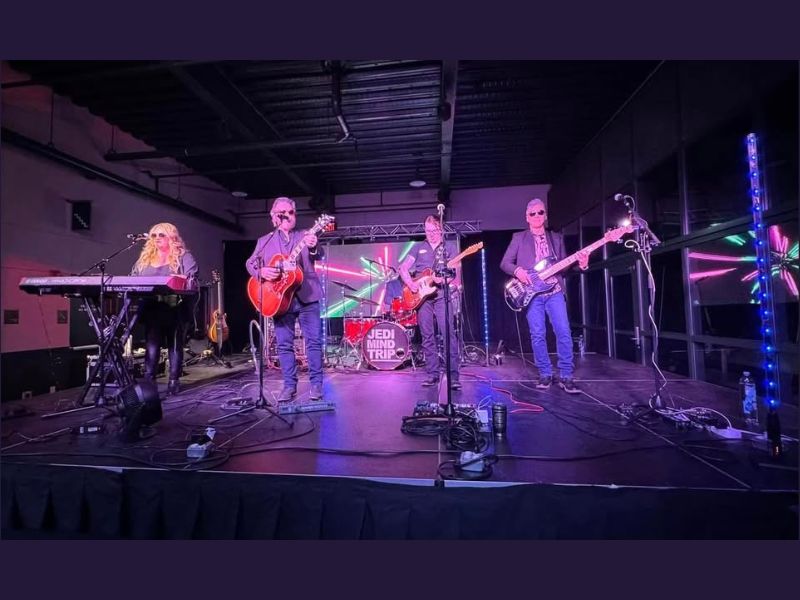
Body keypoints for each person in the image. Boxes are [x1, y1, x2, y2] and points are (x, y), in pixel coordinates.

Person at [500, 198, 588, 393]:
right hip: (532, 294)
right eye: (532, 213)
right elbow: (505, 263)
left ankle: (566, 375)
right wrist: (518, 271)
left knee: (564, 332)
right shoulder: (519, 238)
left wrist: (581, 263)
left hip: (555, 292)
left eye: (540, 212)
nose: (537, 216)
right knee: (538, 334)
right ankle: (545, 373)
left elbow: (564, 267)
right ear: (527, 217)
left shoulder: (556, 238)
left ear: (545, 215)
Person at [246, 197, 324, 402]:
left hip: (307, 297)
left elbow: (318, 255)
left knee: (314, 342)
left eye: (291, 212)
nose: (287, 216)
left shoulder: (305, 236)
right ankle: (289, 386)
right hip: (279, 299)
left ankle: (316, 385)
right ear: (274, 217)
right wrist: (261, 272)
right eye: (283, 213)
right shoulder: (265, 241)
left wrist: (314, 246)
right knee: (284, 345)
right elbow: (250, 263)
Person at [131, 222, 198, 395]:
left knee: (174, 344)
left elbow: (191, 277)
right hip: (152, 307)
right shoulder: (145, 259)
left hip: (175, 306)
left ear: (172, 237)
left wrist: (177, 279)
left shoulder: (184, 256)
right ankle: (149, 381)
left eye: (161, 235)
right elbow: (133, 278)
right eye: (154, 235)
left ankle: (174, 380)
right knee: (152, 345)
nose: (157, 238)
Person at [399, 215, 461, 390]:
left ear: (440, 230)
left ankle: (453, 376)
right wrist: (410, 284)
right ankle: (432, 374)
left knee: (448, 334)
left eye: (433, 231)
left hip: (442, 295)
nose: (430, 234)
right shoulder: (419, 247)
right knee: (427, 336)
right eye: (427, 231)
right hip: (422, 298)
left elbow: (454, 273)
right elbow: (403, 268)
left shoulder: (449, 248)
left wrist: (444, 280)